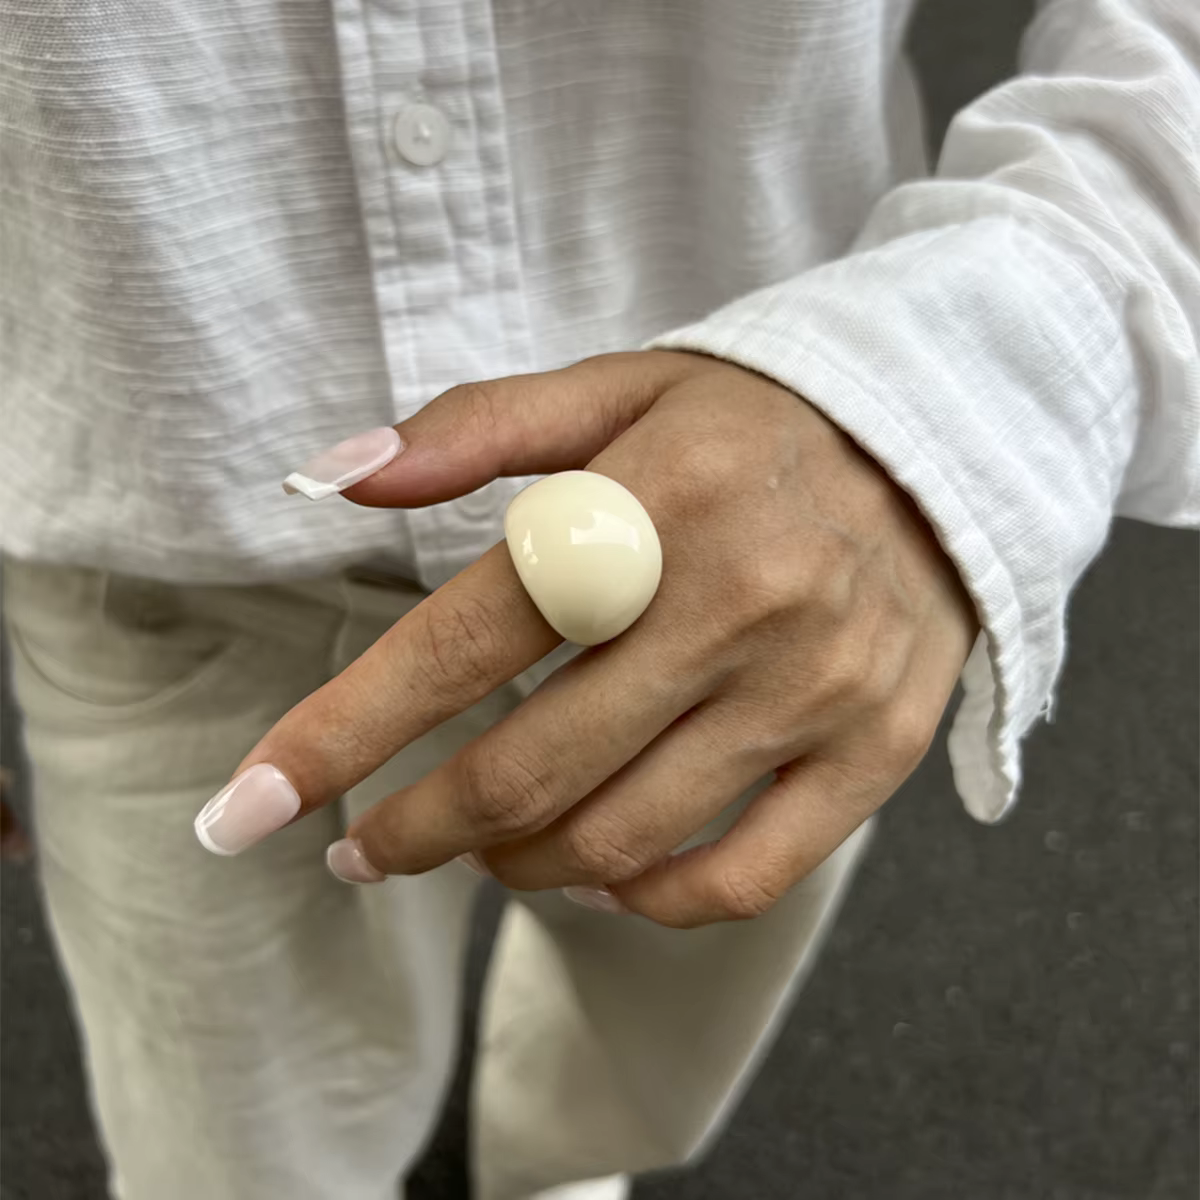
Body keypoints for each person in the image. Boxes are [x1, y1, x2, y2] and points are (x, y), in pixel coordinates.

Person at [1, 2, 1196, 1198]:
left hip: (766, 533)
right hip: (164, 560)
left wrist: (966, 375)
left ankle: (561, 1163)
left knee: (647, 1022)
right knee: (233, 1139)